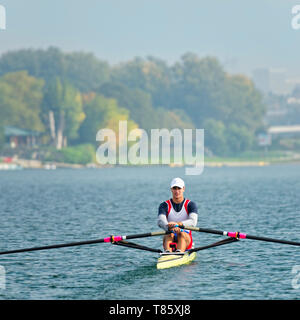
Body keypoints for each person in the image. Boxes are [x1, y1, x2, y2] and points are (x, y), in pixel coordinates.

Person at [157, 177, 198, 253]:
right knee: (169, 234)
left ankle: (179, 253)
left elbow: (193, 222)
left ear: (183, 189)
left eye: (179, 188)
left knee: (181, 233)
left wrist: (178, 224)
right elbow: (160, 221)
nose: (177, 191)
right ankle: (167, 254)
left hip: (185, 237)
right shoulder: (164, 205)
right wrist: (168, 226)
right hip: (170, 234)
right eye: (174, 188)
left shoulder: (191, 205)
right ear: (171, 189)